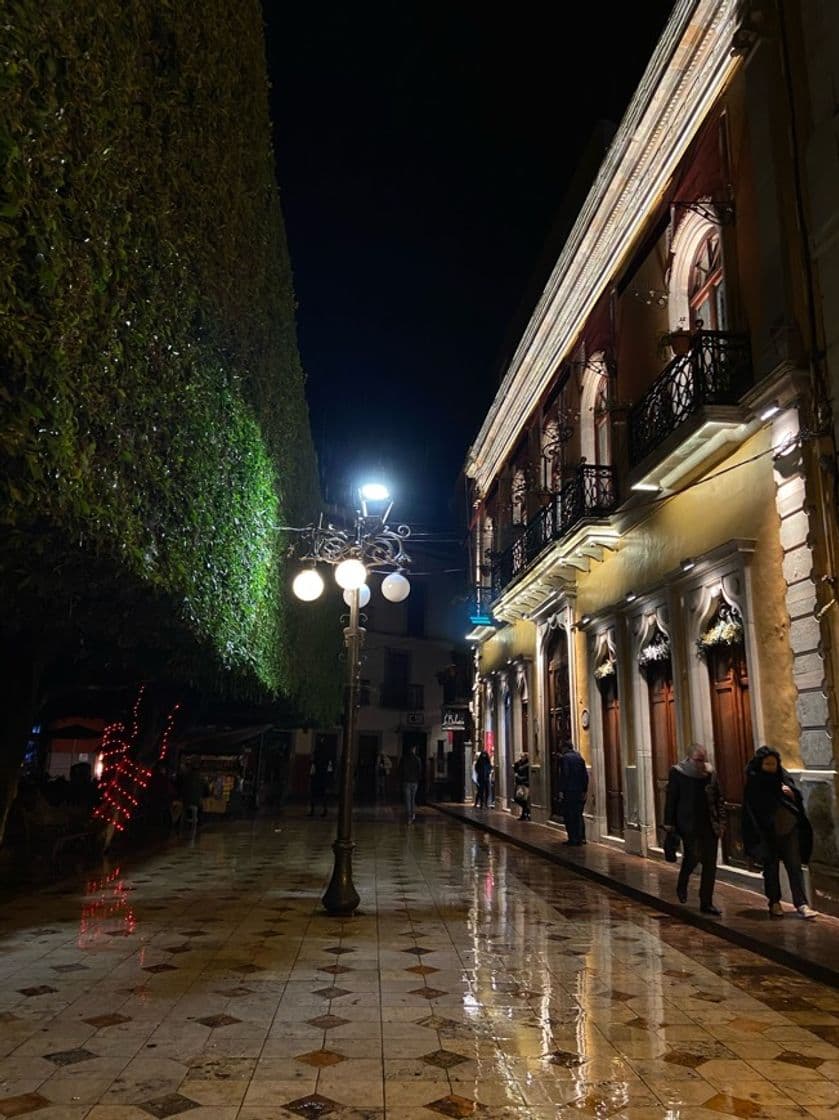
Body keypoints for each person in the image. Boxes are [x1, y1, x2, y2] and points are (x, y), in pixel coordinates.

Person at [743, 745, 817, 919]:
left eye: (773, 764)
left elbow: (796, 800)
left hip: (789, 829)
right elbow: (752, 811)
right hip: (767, 833)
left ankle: (801, 903)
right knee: (771, 869)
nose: (771, 767)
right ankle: (774, 902)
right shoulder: (755, 782)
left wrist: (791, 794)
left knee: (794, 866)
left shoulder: (783, 777)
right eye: (767, 764)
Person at [664, 744, 726, 915]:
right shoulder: (678, 773)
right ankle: (682, 882)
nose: (701, 764)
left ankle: (706, 902)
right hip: (688, 824)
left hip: (709, 824)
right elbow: (672, 797)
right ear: (689, 759)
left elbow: (719, 799)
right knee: (692, 857)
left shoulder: (710, 774)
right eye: (698, 760)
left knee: (710, 865)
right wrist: (668, 823)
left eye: (703, 760)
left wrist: (721, 823)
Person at [558, 741, 589, 845]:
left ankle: (573, 838)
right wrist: (584, 790)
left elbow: (565, 774)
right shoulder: (580, 758)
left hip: (569, 791)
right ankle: (582, 837)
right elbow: (585, 776)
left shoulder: (565, 758)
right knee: (578, 814)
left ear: (564, 748)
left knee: (569, 815)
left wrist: (562, 790)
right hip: (579, 790)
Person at [399, 743, 422, 822]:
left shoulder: (404, 759)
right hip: (414, 781)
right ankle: (413, 814)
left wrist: (401, 779)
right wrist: (418, 779)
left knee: (407, 800)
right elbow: (419, 771)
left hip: (406, 781)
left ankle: (409, 816)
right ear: (414, 750)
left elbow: (400, 770)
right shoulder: (417, 759)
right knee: (413, 799)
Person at [308, 753, 331, 818]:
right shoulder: (326, 761)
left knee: (314, 796)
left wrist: (311, 779)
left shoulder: (315, 762)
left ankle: (313, 811)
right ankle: (324, 810)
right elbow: (329, 770)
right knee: (323, 796)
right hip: (322, 780)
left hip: (316, 780)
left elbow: (312, 772)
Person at [513, 751, 531, 820]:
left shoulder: (527, 765)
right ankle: (526, 811)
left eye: (523, 757)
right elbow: (516, 768)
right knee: (518, 798)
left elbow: (527, 776)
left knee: (523, 799)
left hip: (525, 783)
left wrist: (518, 777)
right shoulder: (519, 763)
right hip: (519, 783)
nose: (521, 758)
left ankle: (525, 813)